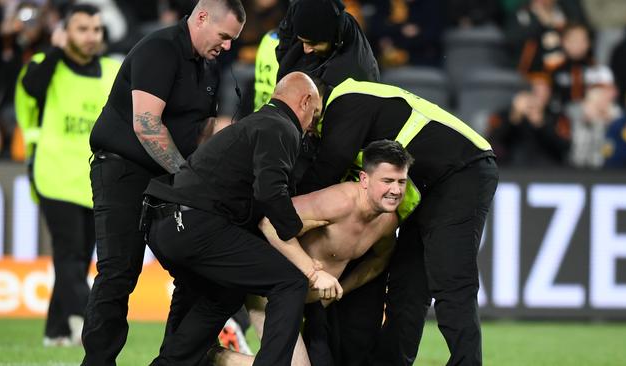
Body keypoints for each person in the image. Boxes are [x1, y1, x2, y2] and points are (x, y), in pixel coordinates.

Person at [81, 1, 245, 364]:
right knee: (119, 273)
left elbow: (200, 129)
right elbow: (147, 124)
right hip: (124, 171)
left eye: (233, 40)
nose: (228, 46)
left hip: (166, 177)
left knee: (195, 270)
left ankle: (175, 360)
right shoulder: (160, 49)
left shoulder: (207, 65)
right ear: (202, 18)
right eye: (224, 36)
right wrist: (188, 178)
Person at [297, 79, 499, 366]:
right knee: (406, 288)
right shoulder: (354, 103)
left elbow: (328, 168)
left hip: (466, 169)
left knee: (451, 281)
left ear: (310, 102)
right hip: (432, 184)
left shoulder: (344, 102)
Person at [142, 71, 336, 366]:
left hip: (165, 225)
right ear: (306, 101)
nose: (313, 125)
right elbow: (271, 194)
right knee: (290, 282)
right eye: (316, 115)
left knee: (222, 292)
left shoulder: (253, 124)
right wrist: (297, 240)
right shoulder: (281, 127)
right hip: (197, 225)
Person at [211, 139, 414, 366]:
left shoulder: (388, 222)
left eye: (401, 182)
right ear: (364, 179)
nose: (396, 190)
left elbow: (380, 260)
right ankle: (212, 357)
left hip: (310, 303)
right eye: (387, 181)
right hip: (271, 295)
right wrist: (314, 273)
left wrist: (341, 290)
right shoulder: (339, 202)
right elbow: (269, 224)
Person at [13, 3, 120, 347]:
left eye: (96, 30)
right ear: (65, 32)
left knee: (80, 257)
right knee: (69, 253)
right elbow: (31, 89)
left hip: (93, 180)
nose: (91, 37)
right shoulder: (46, 66)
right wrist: (55, 51)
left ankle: (55, 331)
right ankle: (88, 324)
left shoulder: (111, 70)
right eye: (82, 29)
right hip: (55, 174)